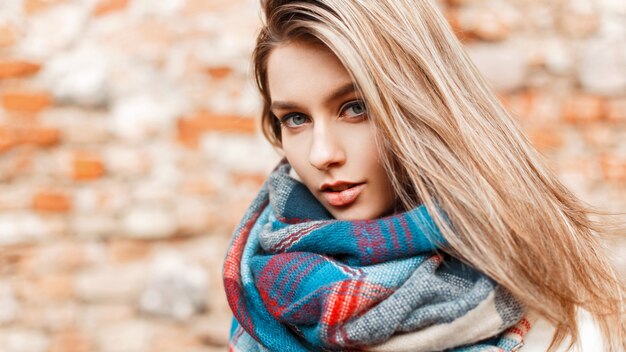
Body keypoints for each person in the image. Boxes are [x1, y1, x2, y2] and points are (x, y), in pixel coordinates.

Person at [223, 0, 625, 351]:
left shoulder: (553, 312)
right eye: (295, 119)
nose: (323, 154)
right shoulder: (265, 283)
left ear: (419, 104)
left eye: (356, 107)